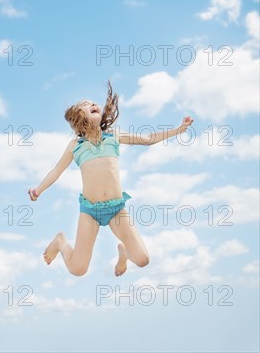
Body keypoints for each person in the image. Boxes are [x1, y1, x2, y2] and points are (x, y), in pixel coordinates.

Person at [28, 80, 194, 277]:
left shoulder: (113, 136)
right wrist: (38, 190)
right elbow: (56, 171)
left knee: (142, 259)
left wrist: (178, 129)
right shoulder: (75, 146)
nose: (92, 104)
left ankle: (124, 256)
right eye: (85, 105)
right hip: (90, 211)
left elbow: (147, 139)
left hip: (116, 209)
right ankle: (61, 243)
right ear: (79, 119)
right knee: (78, 269)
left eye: (93, 103)